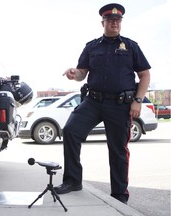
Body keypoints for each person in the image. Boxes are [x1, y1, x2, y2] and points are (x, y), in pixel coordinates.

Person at [54, 3, 151, 204]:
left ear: (121, 23)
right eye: (110, 20)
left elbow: (144, 75)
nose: (114, 23)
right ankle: (73, 180)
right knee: (71, 131)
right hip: (93, 100)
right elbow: (82, 73)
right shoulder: (92, 46)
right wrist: (74, 74)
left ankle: (119, 194)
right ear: (103, 22)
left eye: (118, 20)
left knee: (117, 149)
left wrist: (138, 101)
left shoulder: (131, 46)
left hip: (120, 104)